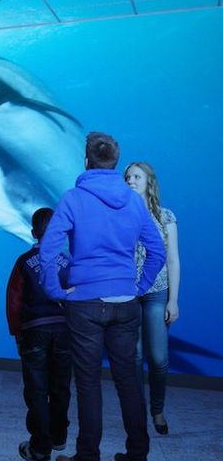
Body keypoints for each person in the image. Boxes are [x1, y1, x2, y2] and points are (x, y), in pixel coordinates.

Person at [39, 132, 166, 461]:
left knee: (87, 382)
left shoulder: (72, 199)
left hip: (85, 304)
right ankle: (138, 452)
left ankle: (87, 455)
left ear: (86, 161)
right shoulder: (135, 201)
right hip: (125, 303)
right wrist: (137, 286)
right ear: (115, 163)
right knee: (128, 380)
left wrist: (54, 289)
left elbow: (49, 249)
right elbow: (157, 251)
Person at [6, 208, 72, 461]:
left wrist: (17, 333)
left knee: (36, 390)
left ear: (33, 233)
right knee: (61, 386)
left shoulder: (24, 262)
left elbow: (14, 301)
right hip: (64, 331)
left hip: (34, 332)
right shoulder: (67, 261)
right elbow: (76, 296)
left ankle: (40, 446)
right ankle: (58, 436)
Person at [124, 161, 180, 436]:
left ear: (149, 181)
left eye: (136, 176)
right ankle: (137, 414)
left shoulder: (165, 216)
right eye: (128, 177)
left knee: (158, 358)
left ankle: (157, 409)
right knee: (132, 358)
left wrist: (174, 300)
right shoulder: (120, 214)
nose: (131, 180)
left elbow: (173, 260)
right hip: (128, 295)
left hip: (158, 293)